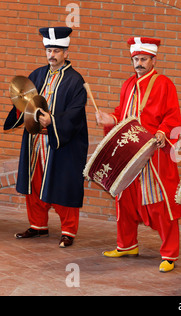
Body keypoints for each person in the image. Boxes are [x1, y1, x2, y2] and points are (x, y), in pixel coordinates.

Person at [96, 37, 181, 273]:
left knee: (159, 204)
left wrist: (164, 132)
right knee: (124, 199)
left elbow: (172, 115)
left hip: (154, 153)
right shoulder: (127, 85)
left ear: (153, 59)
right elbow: (121, 113)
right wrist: (110, 119)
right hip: (128, 153)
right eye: (136, 59)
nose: (139, 63)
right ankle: (126, 245)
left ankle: (169, 254)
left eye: (144, 59)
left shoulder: (164, 84)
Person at [4, 27, 88, 248]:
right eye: (49, 50)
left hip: (61, 142)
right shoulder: (37, 74)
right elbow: (25, 102)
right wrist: (20, 106)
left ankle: (68, 231)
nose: (52, 55)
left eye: (57, 51)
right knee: (35, 182)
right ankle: (38, 225)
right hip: (34, 141)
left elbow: (76, 112)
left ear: (66, 53)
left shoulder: (75, 81)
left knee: (62, 184)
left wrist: (54, 122)